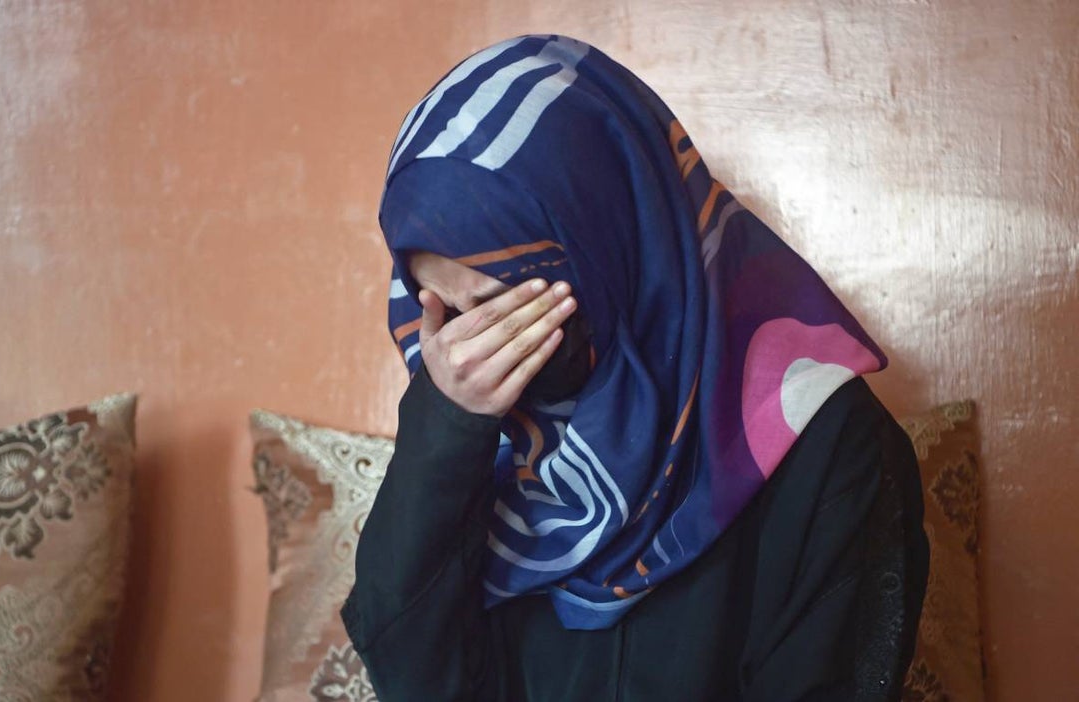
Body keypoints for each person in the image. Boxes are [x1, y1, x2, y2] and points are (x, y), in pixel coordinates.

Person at [340, 33, 928, 702]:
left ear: (611, 242)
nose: (476, 346)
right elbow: (415, 679)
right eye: (451, 310)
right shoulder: (493, 446)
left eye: (503, 302)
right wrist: (446, 429)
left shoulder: (826, 444)